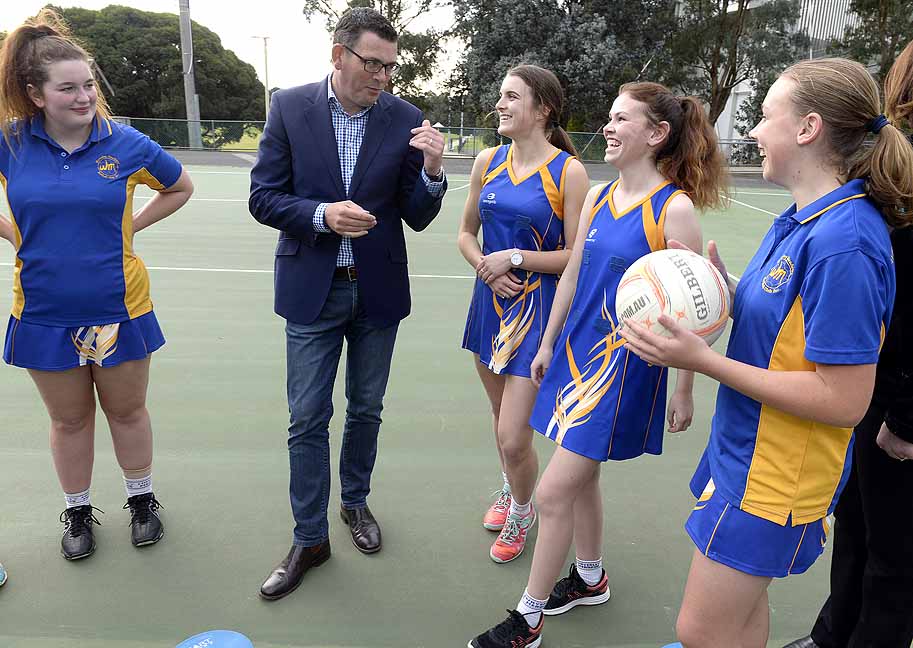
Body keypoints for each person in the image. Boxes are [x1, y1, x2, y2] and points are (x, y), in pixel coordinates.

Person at [621, 58, 913, 648]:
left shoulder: (844, 243)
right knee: (737, 623)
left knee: (701, 630)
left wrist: (701, 361)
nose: (752, 130)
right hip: (745, 452)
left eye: (763, 115)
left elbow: (845, 399)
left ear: (806, 129)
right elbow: (790, 333)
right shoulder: (803, 219)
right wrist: (720, 293)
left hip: (775, 476)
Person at [469, 81, 726, 648]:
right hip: (572, 355)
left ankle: (528, 620)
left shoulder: (674, 209)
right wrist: (545, 345)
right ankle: (589, 577)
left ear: (657, 134)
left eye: (621, 119)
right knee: (580, 480)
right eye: (608, 117)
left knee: (556, 492)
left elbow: (695, 308)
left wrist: (684, 389)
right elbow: (573, 276)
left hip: (623, 369)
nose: (607, 127)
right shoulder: (599, 198)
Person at [249, 7, 446, 601]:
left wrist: (433, 170)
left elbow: (416, 214)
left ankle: (354, 504)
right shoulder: (289, 107)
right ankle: (309, 537)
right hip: (313, 290)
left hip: (377, 291)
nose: (383, 75)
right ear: (338, 55)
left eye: (390, 65)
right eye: (372, 63)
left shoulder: (405, 118)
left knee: (366, 409)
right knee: (307, 417)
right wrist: (320, 215)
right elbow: (263, 197)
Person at [0, 9, 193, 561]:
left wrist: (129, 226)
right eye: (68, 88)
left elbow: (180, 187)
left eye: (88, 85)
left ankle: (141, 501)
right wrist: (15, 234)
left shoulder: (125, 143)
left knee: (128, 412)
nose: (84, 97)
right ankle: (78, 511)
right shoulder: (10, 143)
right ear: (36, 94)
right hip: (43, 312)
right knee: (68, 419)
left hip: (118, 306)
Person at [783, 42, 913, 648]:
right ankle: (833, 632)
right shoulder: (886, 164)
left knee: (894, 554)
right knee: (857, 523)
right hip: (877, 378)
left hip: (896, 393)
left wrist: (907, 418)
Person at [458, 64, 589, 563]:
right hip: (488, 310)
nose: (501, 104)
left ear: (543, 109)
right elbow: (466, 235)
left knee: (515, 435)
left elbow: (575, 256)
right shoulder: (487, 161)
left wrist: (515, 259)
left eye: (513, 96)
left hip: (536, 316)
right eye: (500, 96)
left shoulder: (567, 172)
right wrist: (485, 268)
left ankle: (521, 507)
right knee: (500, 422)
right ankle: (514, 488)